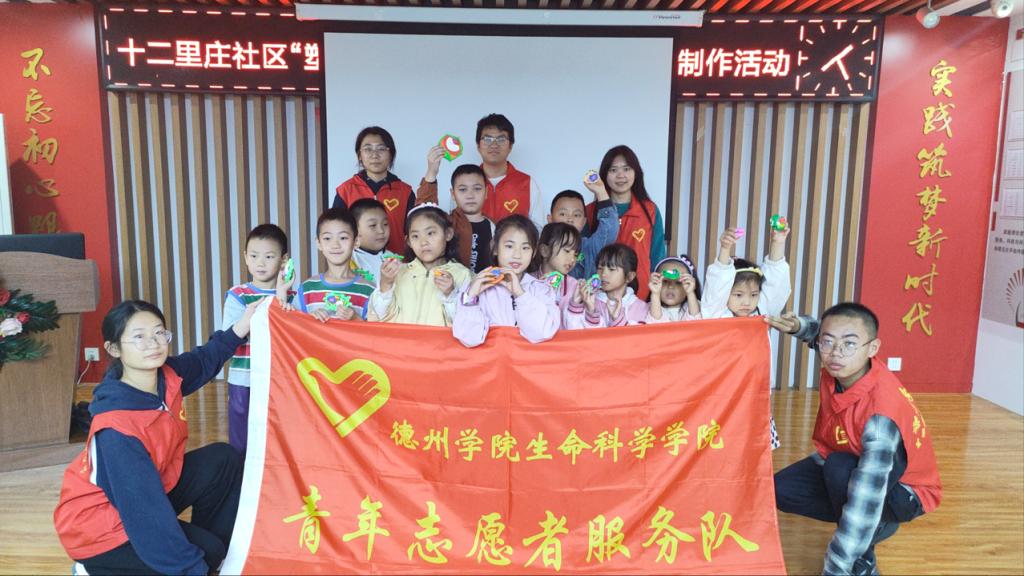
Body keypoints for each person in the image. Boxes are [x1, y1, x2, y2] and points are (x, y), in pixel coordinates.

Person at [54, 299, 262, 575]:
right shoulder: (116, 430)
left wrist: (242, 325)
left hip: (149, 488)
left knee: (223, 459)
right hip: (100, 527)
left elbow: (203, 360)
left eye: (158, 332)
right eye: (139, 337)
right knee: (203, 556)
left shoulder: (167, 376)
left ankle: (202, 550)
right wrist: (192, 568)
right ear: (114, 349)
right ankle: (93, 568)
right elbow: (144, 517)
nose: (153, 343)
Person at [768, 303, 942, 576]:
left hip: (904, 491)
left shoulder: (880, 420)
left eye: (849, 344)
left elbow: (865, 499)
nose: (836, 352)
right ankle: (860, 529)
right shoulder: (846, 364)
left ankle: (867, 549)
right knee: (779, 489)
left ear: (872, 348)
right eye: (828, 342)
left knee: (840, 471)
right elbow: (825, 337)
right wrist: (799, 327)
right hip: (852, 457)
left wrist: (836, 568)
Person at [221, 223, 290, 454]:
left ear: (284, 259)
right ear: (245, 257)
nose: (260, 263)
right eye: (254, 256)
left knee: (278, 436)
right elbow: (230, 334)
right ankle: (239, 475)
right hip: (244, 377)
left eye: (269, 256)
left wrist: (282, 298)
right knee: (241, 438)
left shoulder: (291, 295)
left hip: (279, 378)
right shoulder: (238, 295)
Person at [453, 215, 559, 347]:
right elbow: (470, 340)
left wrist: (520, 294)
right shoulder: (476, 288)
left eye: (525, 248)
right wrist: (471, 298)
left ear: (533, 252)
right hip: (491, 360)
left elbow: (541, 333)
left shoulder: (542, 290)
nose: (517, 255)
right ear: (495, 247)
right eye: (509, 246)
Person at [332, 126, 436, 254]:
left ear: (391, 154)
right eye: (368, 149)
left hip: (398, 261)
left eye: (381, 149)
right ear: (359, 155)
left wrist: (431, 173)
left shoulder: (405, 191)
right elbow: (337, 231)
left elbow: (420, 225)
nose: (374, 155)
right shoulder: (345, 190)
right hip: (356, 263)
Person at [369, 204, 471, 326]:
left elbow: (467, 325)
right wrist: (385, 284)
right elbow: (378, 318)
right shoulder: (399, 273)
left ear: (448, 234)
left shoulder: (462, 274)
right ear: (409, 242)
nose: (423, 242)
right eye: (415, 236)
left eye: (431, 233)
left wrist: (450, 294)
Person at [586, 145, 665, 300]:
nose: (620, 175)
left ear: (636, 173)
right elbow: (585, 256)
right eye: (613, 170)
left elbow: (658, 255)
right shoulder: (590, 211)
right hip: (599, 297)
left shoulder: (650, 210)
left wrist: (656, 295)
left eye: (627, 169)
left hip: (641, 297)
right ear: (604, 175)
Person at [290, 208, 375, 322]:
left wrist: (356, 319)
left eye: (343, 238)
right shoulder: (307, 288)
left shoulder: (369, 290)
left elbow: (377, 331)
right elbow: (293, 326)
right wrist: (309, 319)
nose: (335, 245)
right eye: (327, 238)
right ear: (318, 243)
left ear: (356, 242)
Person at [701, 225, 791, 319]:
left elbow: (775, 284)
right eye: (738, 295)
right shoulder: (717, 315)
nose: (747, 303)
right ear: (725, 292)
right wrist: (725, 248)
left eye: (754, 295)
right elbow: (718, 285)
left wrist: (777, 242)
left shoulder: (762, 313)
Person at [475, 114, 543, 227]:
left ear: (510, 146)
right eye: (487, 139)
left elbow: (538, 229)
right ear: (478, 145)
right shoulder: (465, 183)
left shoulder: (527, 183)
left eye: (501, 139)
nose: (494, 145)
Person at [547, 175, 619, 279]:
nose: (570, 219)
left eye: (576, 215)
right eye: (563, 214)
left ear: (584, 222)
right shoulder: (539, 247)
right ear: (550, 219)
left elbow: (610, 230)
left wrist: (601, 192)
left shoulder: (589, 248)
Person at [565, 243, 649, 328]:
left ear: (629, 276)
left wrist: (618, 321)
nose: (603, 274)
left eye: (611, 269)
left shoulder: (641, 308)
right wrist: (587, 309)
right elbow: (574, 330)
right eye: (600, 268)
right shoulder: (589, 300)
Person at [447, 164, 496, 273]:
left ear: (486, 192)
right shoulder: (447, 224)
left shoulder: (493, 226)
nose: (470, 195)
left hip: (486, 282)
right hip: (453, 282)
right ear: (453, 194)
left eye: (477, 189)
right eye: (463, 189)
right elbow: (425, 211)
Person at [536, 222, 582, 327]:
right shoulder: (529, 282)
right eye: (567, 251)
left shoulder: (575, 287)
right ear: (544, 250)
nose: (572, 259)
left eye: (575, 255)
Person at [350, 198, 393, 286]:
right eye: (373, 225)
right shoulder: (350, 260)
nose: (381, 231)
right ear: (354, 230)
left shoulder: (393, 259)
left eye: (385, 224)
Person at [646, 255, 702, 323]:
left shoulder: (694, 305)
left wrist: (690, 292)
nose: (670, 286)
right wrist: (655, 293)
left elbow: (695, 321)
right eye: (665, 281)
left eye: (678, 282)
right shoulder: (650, 307)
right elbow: (655, 324)